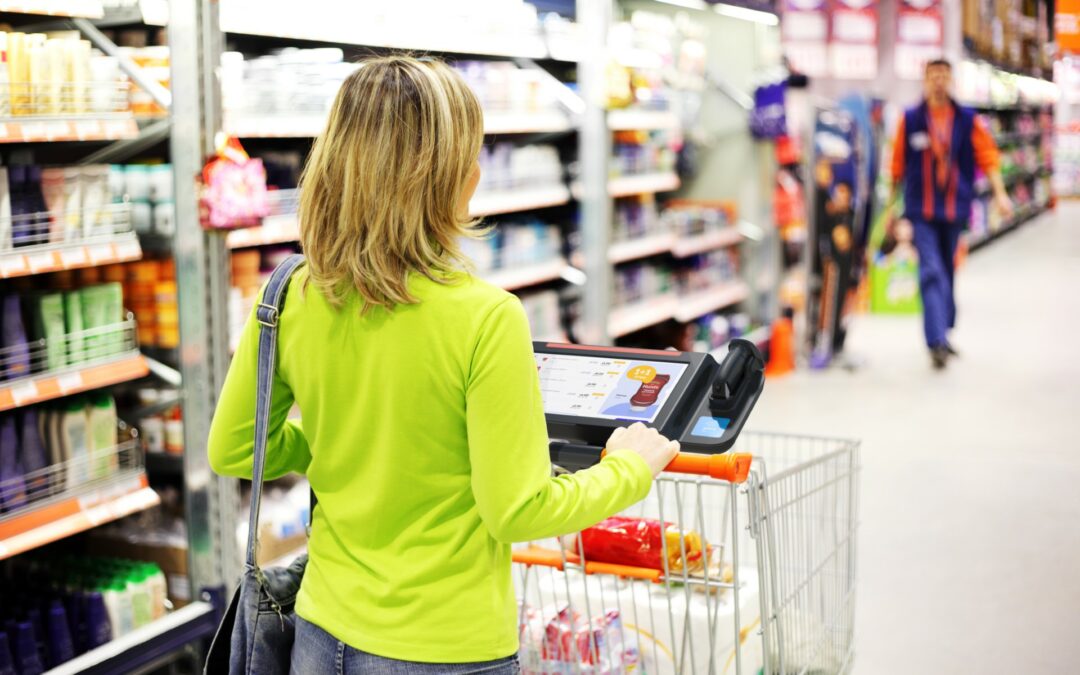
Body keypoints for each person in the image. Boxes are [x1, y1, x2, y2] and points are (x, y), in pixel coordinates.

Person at [207, 56, 680, 675]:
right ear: (446, 178)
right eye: (471, 155)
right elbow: (518, 510)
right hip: (442, 649)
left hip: (321, 633)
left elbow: (237, 449)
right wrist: (629, 469)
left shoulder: (291, 293)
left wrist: (336, 443)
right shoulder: (486, 318)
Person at [889, 58, 1013, 369]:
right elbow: (897, 166)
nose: (939, 81)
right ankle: (935, 343)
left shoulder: (967, 120)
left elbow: (988, 157)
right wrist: (892, 210)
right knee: (931, 271)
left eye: (944, 75)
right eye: (933, 76)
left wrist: (1000, 194)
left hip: (955, 208)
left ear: (952, 80)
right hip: (921, 210)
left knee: (947, 270)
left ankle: (943, 332)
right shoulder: (911, 119)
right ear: (925, 81)